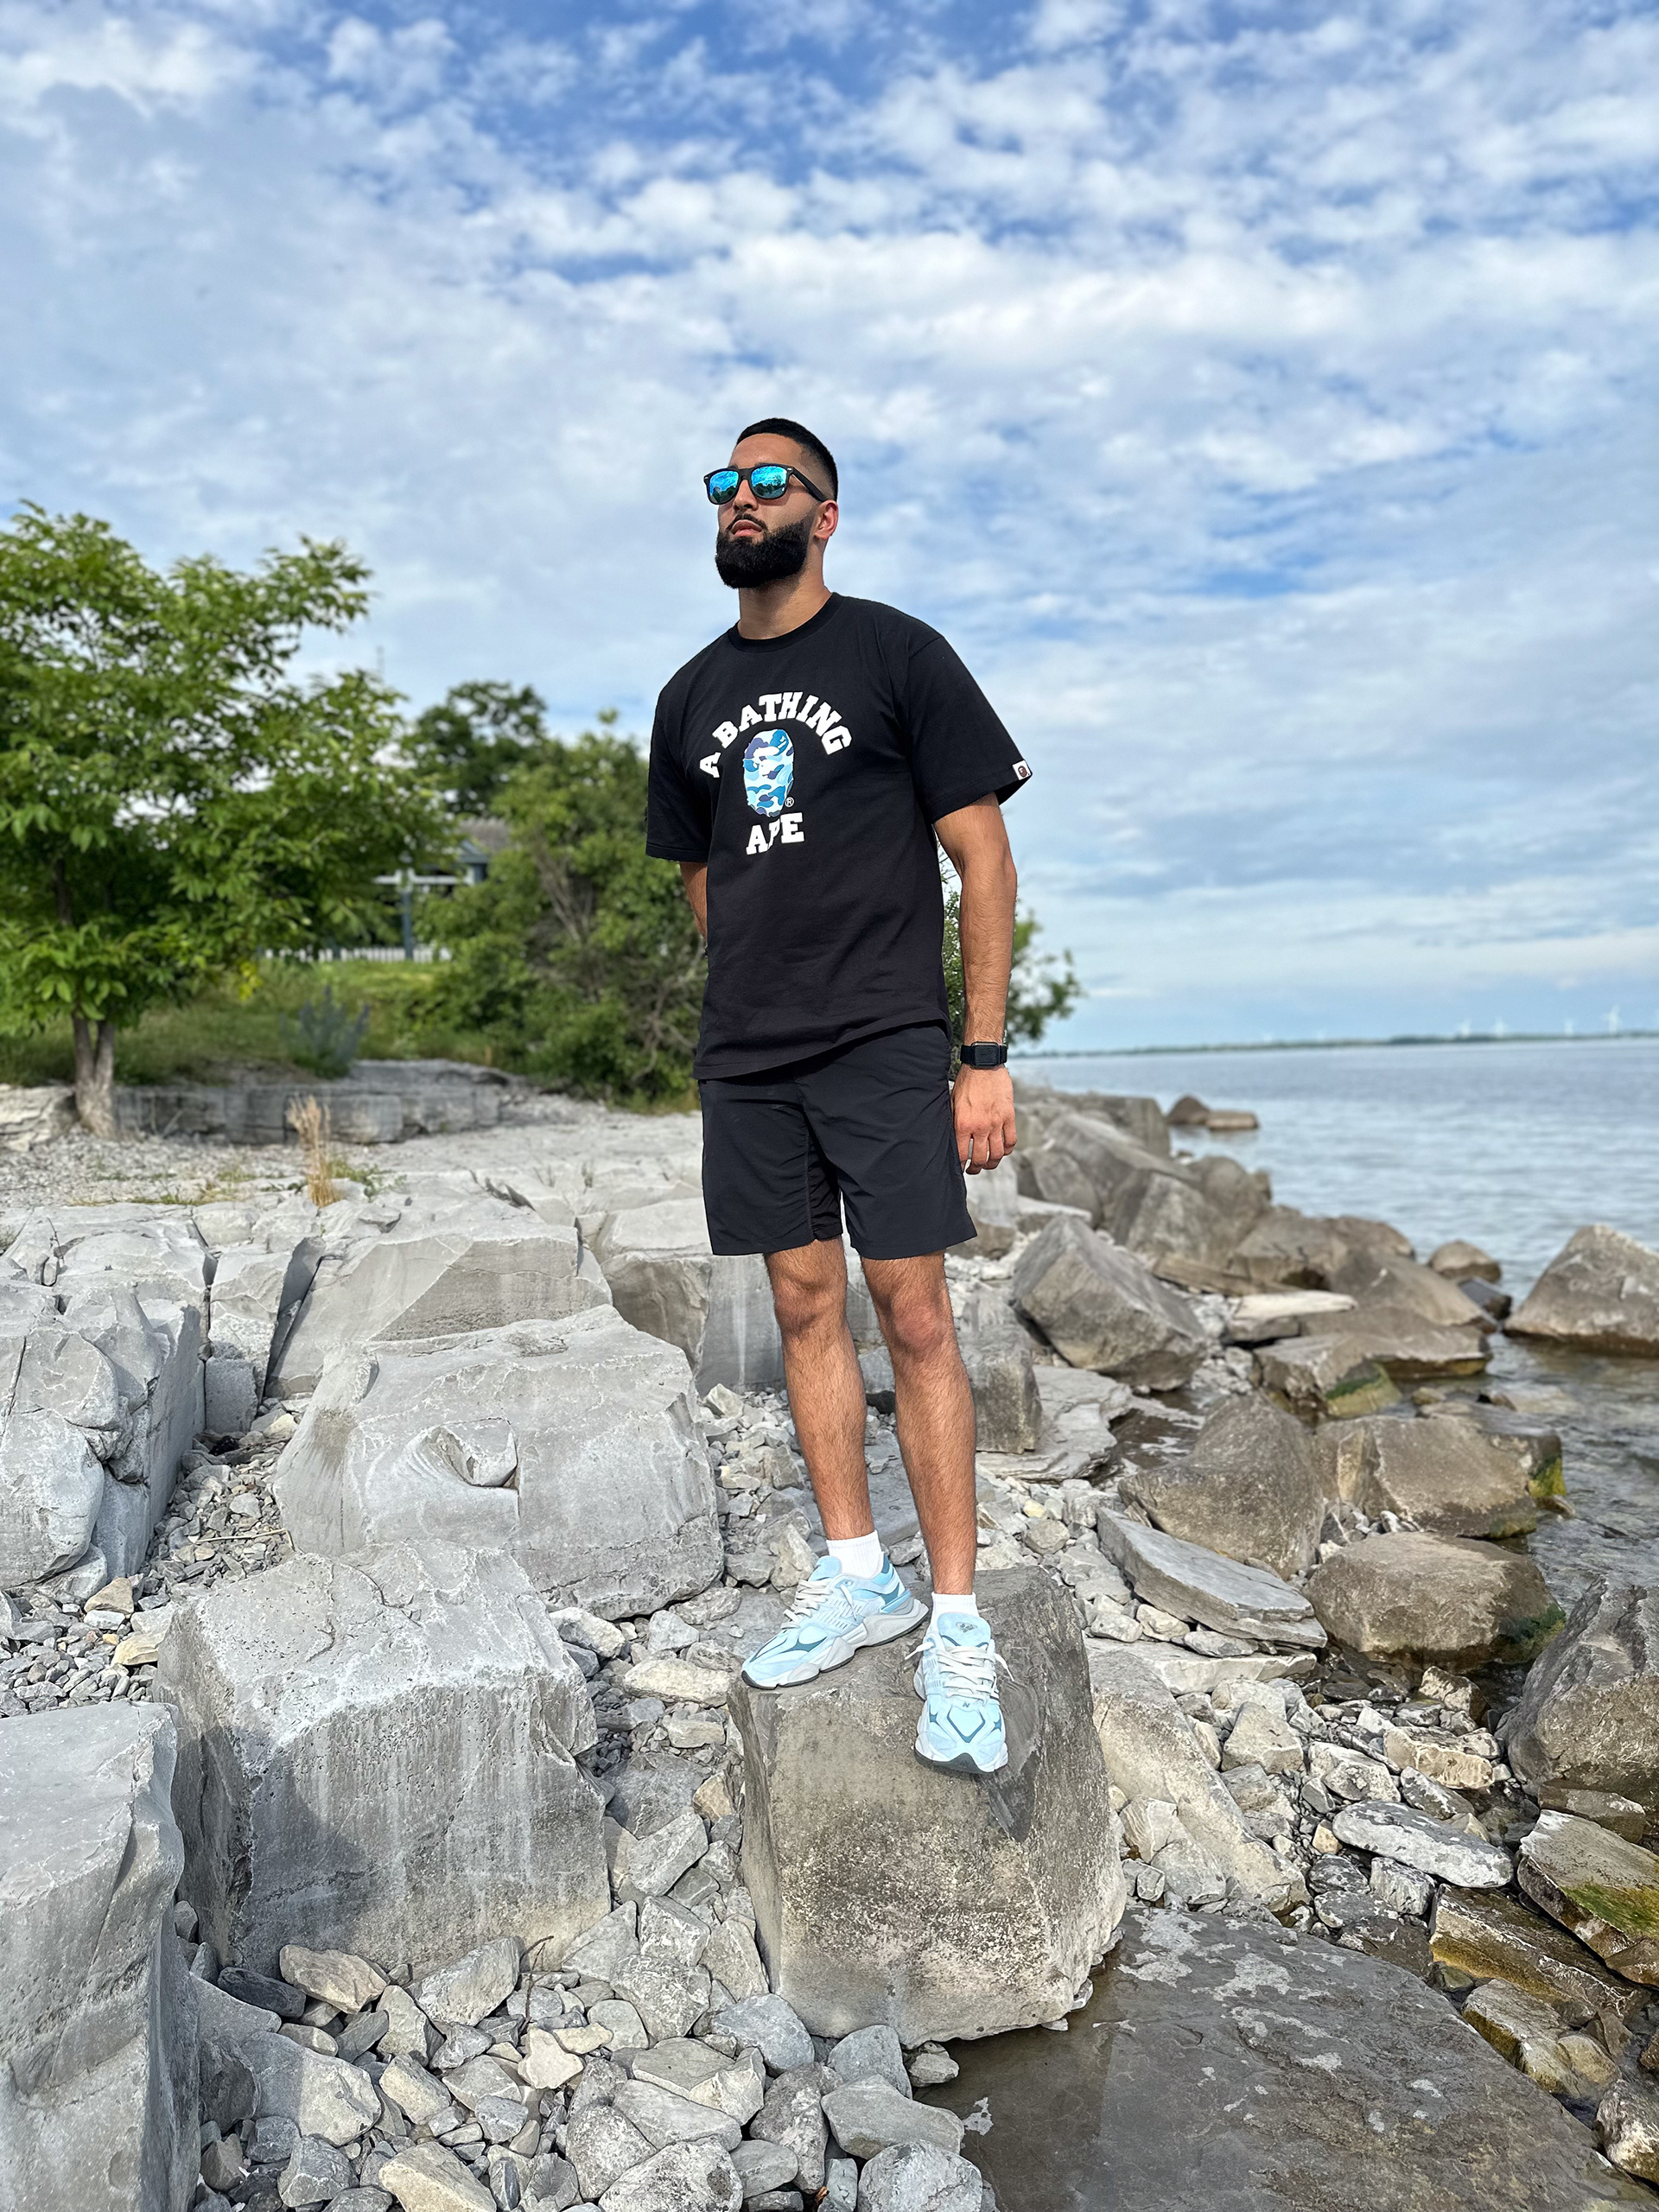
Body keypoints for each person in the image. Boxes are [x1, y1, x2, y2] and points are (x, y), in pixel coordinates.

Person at [645, 416, 1032, 1775]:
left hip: (884, 1038)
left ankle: (957, 1619)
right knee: (803, 1306)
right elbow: (702, 873)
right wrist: (763, 971)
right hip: (750, 1054)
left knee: (913, 1313)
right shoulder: (689, 695)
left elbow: (984, 857)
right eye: (724, 485)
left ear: (826, 512)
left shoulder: (896, 653)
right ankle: (859, 1571)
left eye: (769, 483)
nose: (740, 501)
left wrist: (981, 1055)